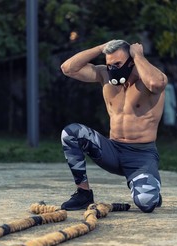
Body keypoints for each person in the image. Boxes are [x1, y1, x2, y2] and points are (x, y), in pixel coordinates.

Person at [60, 39, 168, 213]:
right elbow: (68, 68)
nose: (113, 69)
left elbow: (156, 84)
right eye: (109, 65)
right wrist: (100, 47)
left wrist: (138, 55)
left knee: (147, 203)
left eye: (117, 64)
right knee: (71, 133)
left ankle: (147, 185)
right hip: (112, 150)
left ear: (131, 61)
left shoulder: (149, 79)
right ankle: (83, 193)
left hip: (140, 156)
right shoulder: (105, 75)